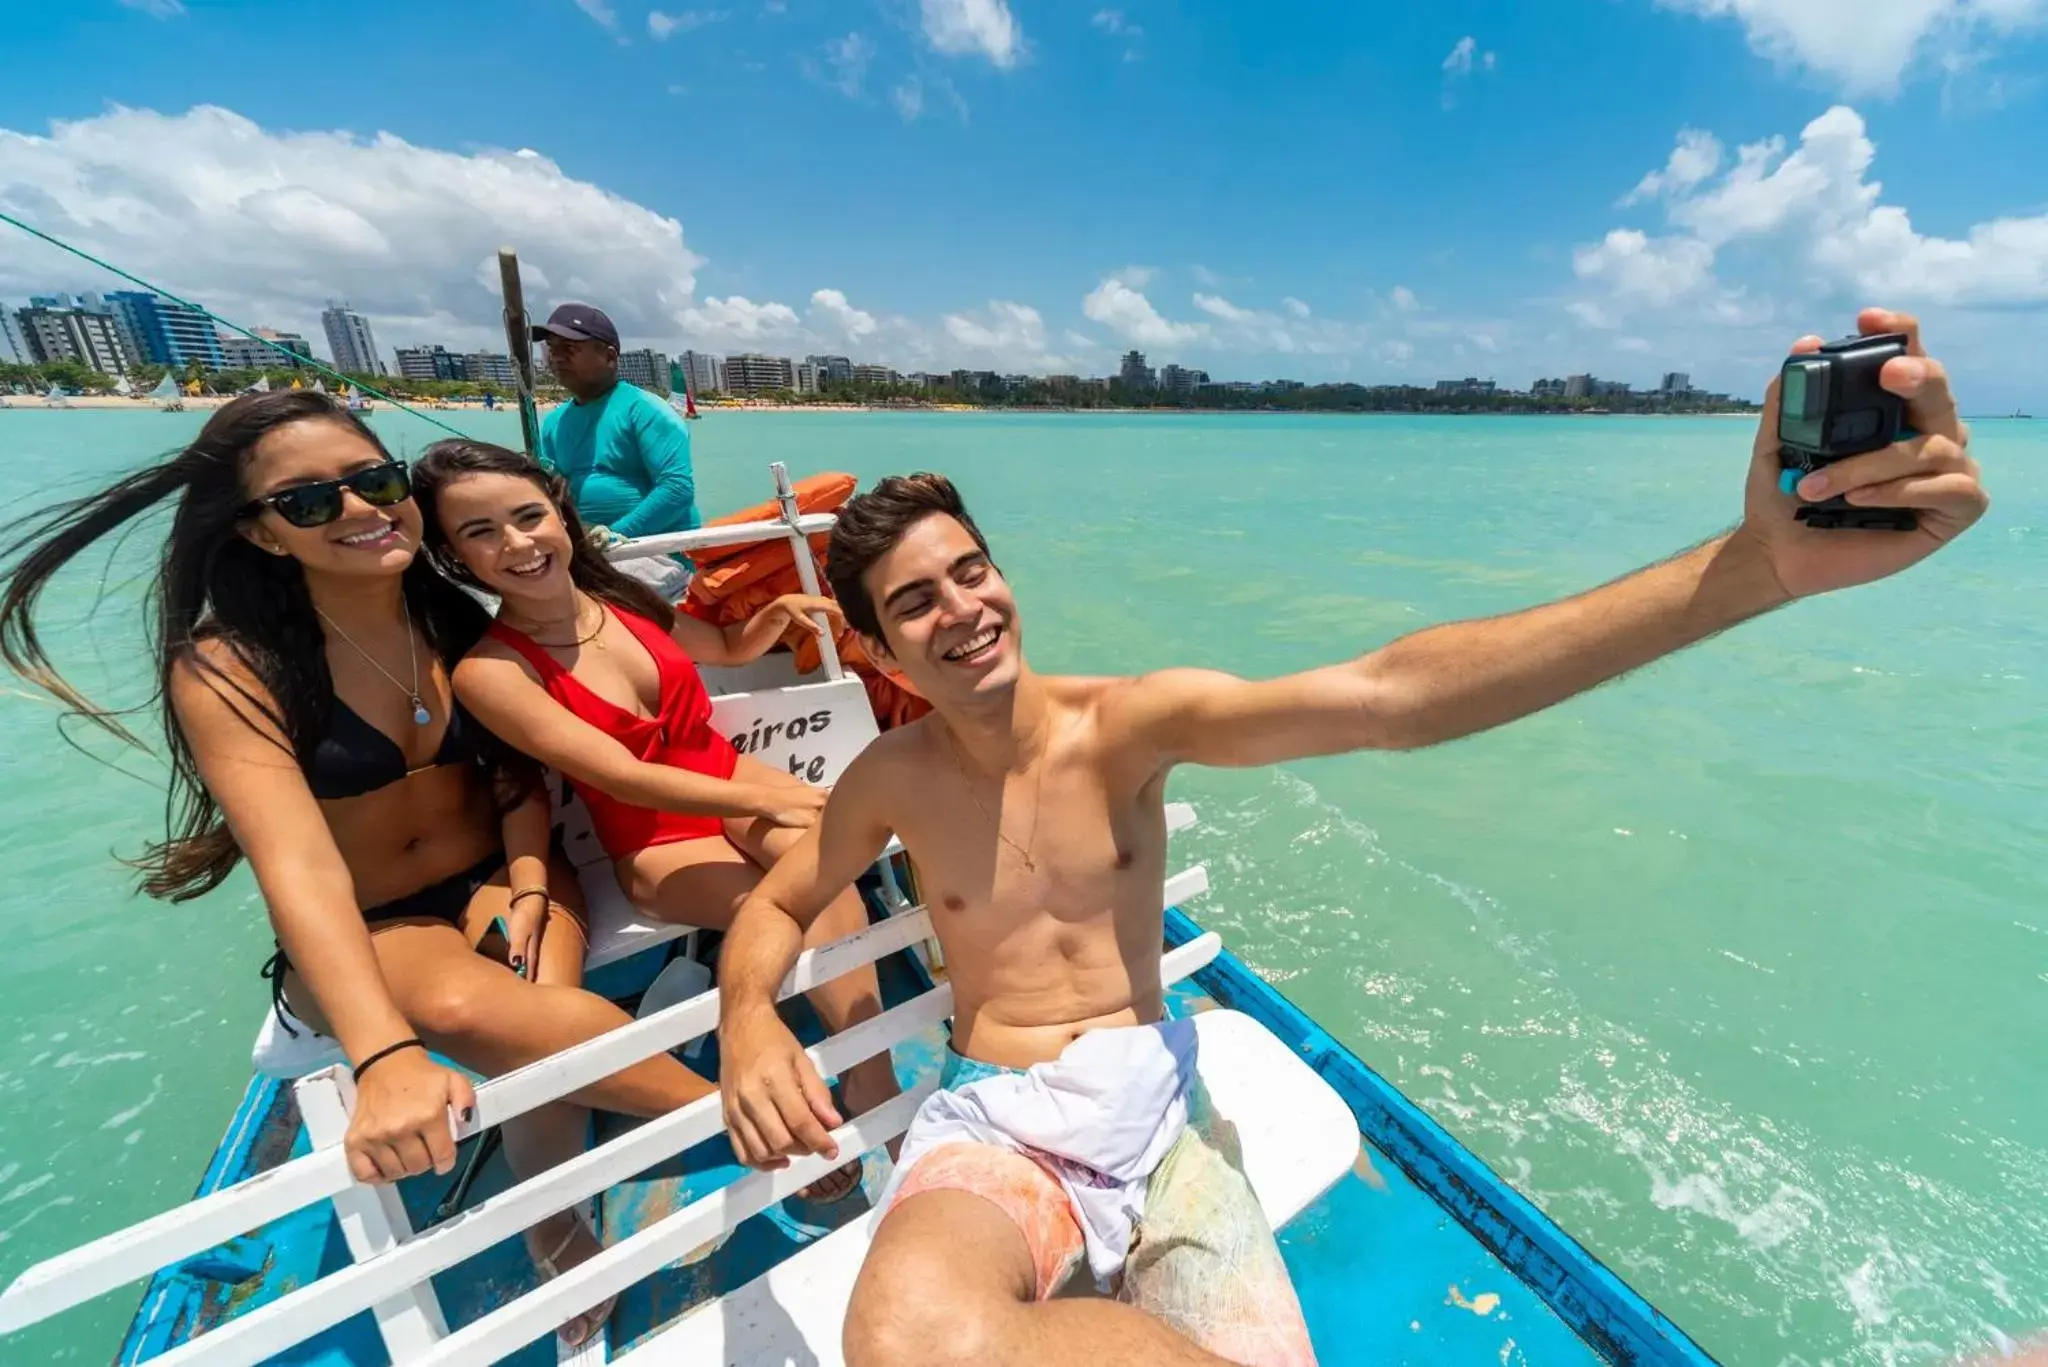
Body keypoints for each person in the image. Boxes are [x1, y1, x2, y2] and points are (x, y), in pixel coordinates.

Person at [712, 310, 1989, 1367]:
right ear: (876, 648)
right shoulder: (888, 776)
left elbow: (1389, 695)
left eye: (971, 571)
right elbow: (776, 905)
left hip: (1158, 1117)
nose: (963, 610)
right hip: (996, 1123)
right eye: (915, 603)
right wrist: (750, 1016)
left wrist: (1754, 568)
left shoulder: (1126, 726)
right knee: (906, 1339)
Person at [0, 392, 722, 1348]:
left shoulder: (451, 619)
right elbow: (296, 865)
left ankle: (549, 1201)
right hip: (373, 919)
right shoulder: (231, 667)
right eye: (308, 503)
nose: (357, 509)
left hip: (503, 879)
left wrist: (534, 876)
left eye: (375, 482)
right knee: (476, 1011)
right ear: (261, 533)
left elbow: (513, 779)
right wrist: (383, 1056)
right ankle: (749, 1116)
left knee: (539, 983)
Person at [410, 438, 901, 1196]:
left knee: (827, 876)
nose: (517, 543)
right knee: (785, 899)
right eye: (480, 532)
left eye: (528, 515)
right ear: (451, 555)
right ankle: (764, 1073)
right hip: (653, 836)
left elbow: (729, 648)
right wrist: (776, 797)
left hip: (732, 779)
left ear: (562, 515)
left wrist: (776, 611)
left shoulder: (624, 603)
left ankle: (870, 1078)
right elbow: (625, 776)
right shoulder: (490, 670)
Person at [534, 302, 698, 600]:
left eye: (570, 347)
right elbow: (553, 492)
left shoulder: (646, 410)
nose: (557, 356)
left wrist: (612, 538)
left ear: (609, 356)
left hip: (655, 555)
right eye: (551, 347)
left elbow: (677, 489)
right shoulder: (554, 423)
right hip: (591, 554)